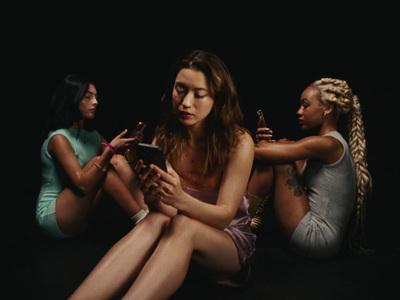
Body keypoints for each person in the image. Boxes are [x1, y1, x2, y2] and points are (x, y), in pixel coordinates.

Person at [69, 50, 256, 299]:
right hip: (176, 245)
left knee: (183, 225)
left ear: (218, 99)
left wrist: (179, 199)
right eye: (180, 90)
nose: (186, 102)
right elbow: (164, 214)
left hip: (227, 246)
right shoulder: (166, 137)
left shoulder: (239, 141)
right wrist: (151, 196)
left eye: (199, 94)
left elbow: (223, 218)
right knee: (156, 220)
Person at [248, 78, 372, 258]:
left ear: (327, 108)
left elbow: (262, 153)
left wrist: (258, 145)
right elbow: (269, 154)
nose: (299, 112)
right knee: (280, 152)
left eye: (305, 106)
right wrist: (266, 146)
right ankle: (245, 217)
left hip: (315, 238)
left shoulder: (328, 144)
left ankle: (239, 219)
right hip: (324, 243)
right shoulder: (326, 147)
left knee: (280, 153)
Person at [36, 74, 149, 239]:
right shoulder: (58, 138)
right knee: (100, 162)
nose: (95, 102)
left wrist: (130, 150)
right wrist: (109, 150)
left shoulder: (93, 135)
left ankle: (147, 211)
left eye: (96, 97)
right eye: (88, 97)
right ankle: (143, 221)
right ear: (72, 99)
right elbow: (81, 185)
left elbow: (117, 163)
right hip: (56, 217)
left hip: (84, 216)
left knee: (115, 160)